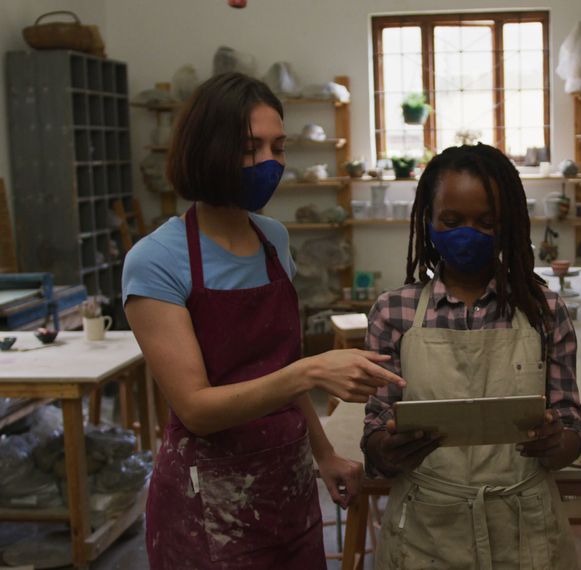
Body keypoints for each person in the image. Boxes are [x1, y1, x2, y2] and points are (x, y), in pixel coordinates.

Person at [122, 72, 404, 569]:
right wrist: (312, 371)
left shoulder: (273, 238)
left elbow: (280, 363)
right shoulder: (156, 259)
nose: (269, 163)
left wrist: (323, 453)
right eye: (251, 147)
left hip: (287, 486)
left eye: (278, 147)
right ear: (207, 149)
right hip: (205, 500)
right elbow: (197, 409)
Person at [361, 144, 581, 569]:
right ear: (428, 220)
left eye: (486, 223)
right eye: (451, 221)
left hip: (525, 532)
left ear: (510, 226)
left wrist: (556, 442)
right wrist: (389, 448)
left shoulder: (543, 311)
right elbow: (375, 437)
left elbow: (572, 429)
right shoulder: (395, 313)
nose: (467, 233)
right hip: (426, 533)